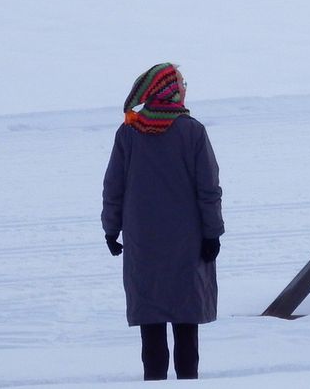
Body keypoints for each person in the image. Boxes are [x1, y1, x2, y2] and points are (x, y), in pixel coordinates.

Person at [101, 63, 225, 381]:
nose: (185, 86)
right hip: (189, 246)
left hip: (144, 248)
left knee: (151, 333)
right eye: (181, 82)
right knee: (187, 330)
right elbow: (209, 189)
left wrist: (111, 228)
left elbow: (113, 186)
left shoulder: (129, 133)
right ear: (170, 90)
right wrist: (212, 234)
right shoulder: (193, 132)